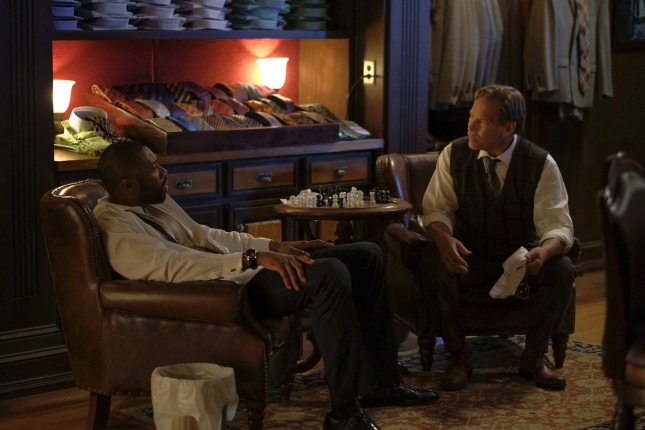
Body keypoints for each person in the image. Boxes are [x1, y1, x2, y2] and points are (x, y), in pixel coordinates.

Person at [93, 139, 438, 430]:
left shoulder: (153, 201)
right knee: (329, 273)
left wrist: (274, 246)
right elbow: (174, 267)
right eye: (154, 168)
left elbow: (206, 235)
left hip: (242, 272)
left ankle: (382, 384)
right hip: (224, 293)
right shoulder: (116, 229)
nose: (164, 171)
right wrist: (252, 260)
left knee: (365, 255)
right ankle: (344, 412)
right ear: (128, 185)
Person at [421, 84, 575, 391]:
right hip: (470, 259)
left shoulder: (541, 163)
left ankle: (533, 358)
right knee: (432, 259)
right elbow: (436, 210)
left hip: (521, 262)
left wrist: (544, 252)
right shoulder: (454, 154)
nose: (470, 125)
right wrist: (444, 239)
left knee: (561, 269)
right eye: (471, 116)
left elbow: (558, 225)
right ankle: (458, 357)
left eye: (481, 121)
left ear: (508, 128)